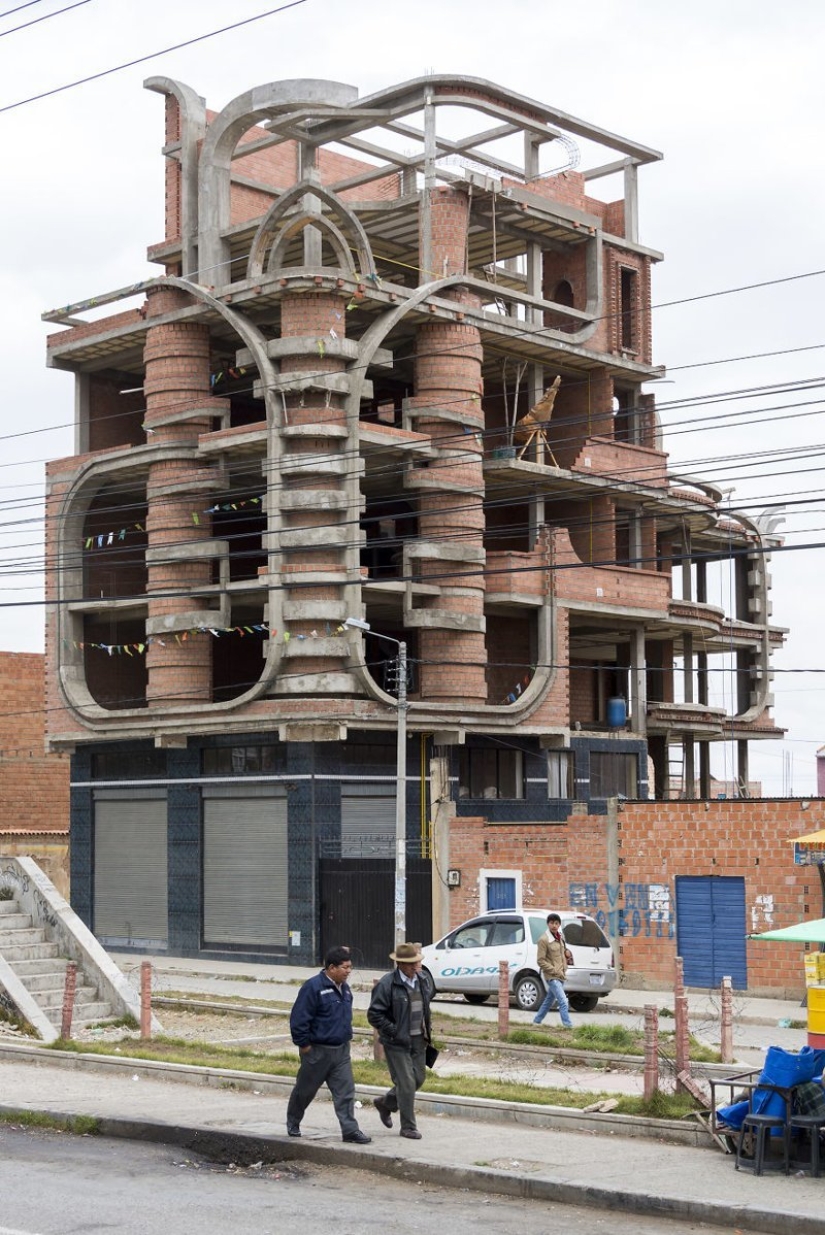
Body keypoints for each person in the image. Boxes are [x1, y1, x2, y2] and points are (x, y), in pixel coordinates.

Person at [286, 945, 371, 1143]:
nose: (349, 971)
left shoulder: (346, 989)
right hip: (317, 1051)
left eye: (351, 967)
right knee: (305, 1091)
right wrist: (304, 1045)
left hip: (341, 1051)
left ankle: (350, 1130)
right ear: (332, 968)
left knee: (346, 1092)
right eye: (345, 967)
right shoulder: (313, 987)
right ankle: (293, 1122)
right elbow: (299, 1019)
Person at [367, 941, 433, 1140]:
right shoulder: (387, 984)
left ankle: (386, 1103)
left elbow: (425, 1006)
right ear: (400, 965)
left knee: (418, 1079)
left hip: (419, 1040)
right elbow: (374, 1015)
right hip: (397, 1042)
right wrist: (394, 1031)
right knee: (406, 1083)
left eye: (417, 962)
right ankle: (408, 1127)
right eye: (411, 963)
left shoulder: (423, 980)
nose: (416, 966)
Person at [532, 912, 574, 1029]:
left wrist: (567, 953)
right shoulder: (544, 940)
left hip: (561, 975)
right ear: (548, 924)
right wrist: (554, 970)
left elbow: (563, 951)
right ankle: (568, 1026)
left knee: (549, 1000)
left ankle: (537, 1021)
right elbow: (540, 961)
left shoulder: (560, 937)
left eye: (556, 923)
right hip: (552, 976)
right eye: (552, 923)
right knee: (563, 1001)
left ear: (559, 924)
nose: (554, 925)